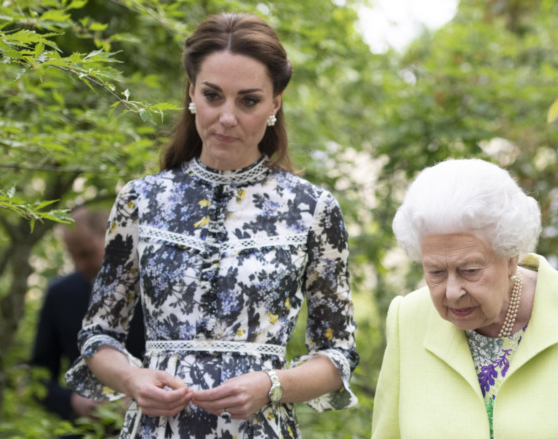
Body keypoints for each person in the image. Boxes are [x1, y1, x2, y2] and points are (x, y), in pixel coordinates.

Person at [65, 12, 358, 438]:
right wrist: (133, 379)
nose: (226, 117)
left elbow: (337, 353)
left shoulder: (313, 208)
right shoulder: (141, 200)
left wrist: (272, 384)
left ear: (275, 102)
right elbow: (97, 335)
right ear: (191, 92)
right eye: (213, 95)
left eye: (249, 100)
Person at [372, 159, 558, 438]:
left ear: (511, 256)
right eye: (436, 271)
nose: (452, 291)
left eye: (470, 270)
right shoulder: (407, 319)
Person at [31, 207, 145, 427]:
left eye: (86, 253)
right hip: (84, 430)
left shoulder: (156, 289)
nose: (79, 265)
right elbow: (38, 375)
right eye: (72, 256)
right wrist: (73, 401)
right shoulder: (59, 295)